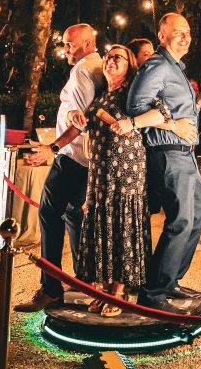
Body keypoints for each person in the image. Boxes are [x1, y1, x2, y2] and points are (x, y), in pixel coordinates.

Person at [16, 24, 106, 313]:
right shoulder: (97, 66)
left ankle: (51, 289)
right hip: (87, 159)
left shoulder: (82, 71)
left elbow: (80, 122)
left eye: (70, 44)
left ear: (87, 43)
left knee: (48, 214)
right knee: (73, 214)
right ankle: (84, 279)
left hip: (71, 156)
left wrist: (52, 148)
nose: (65, 48)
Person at [124, 13, 201, 313]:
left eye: (188, 32)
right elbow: (135, 107)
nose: (185, 37)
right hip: (168, 152)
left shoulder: (176, 68)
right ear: (161, 36)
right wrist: (173, 125)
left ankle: (170, 280)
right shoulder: (157, 65)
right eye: (178, 32)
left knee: (196, 217)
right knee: (181, 220)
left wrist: (199, 103)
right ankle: (153, 295)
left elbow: (177, 109)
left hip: (186, 153)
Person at [66, 45, 150, 317]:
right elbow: (82, 123)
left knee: (121, 224)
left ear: (129, 65)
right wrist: (72, 115)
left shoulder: (133, 93)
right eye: (108, 57)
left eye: (118, 57)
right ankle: (103, 291)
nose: (110, 61)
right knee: (101, 225)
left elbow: (160, 112)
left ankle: (119, 293)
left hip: (126, 170)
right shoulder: (101, 96)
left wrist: (132, 124)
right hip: (100, 172)